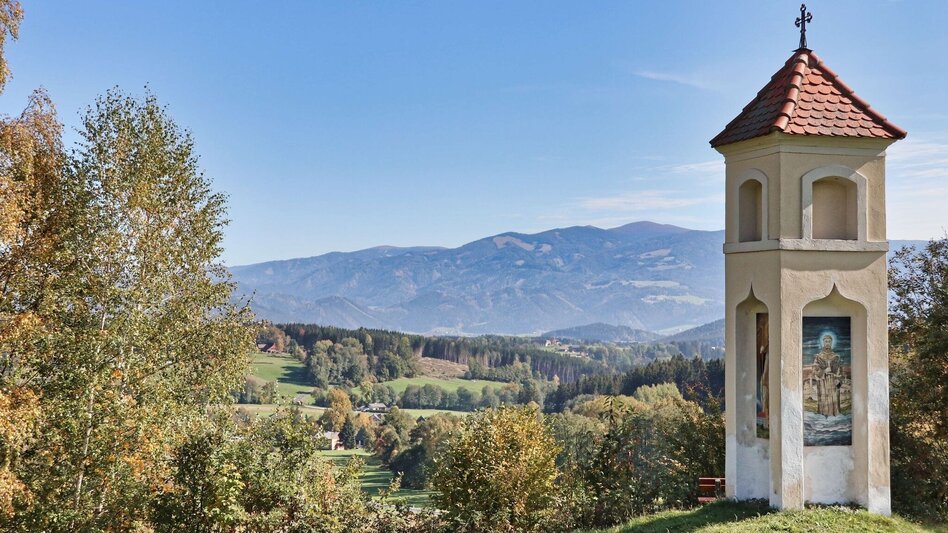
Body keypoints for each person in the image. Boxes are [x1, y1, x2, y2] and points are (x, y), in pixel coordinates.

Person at [813, 334, 842, 417]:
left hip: (833, 381)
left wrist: (838, 379)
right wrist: (823, 371)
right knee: (824, 400)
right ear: (823, 343)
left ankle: (835, 416)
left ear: (831, 343)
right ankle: (823, 416)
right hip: (823, 382)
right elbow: (815, 370)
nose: (827, 343)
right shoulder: (819, 356)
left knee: (834, 400)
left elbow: (840, 370)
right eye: (826, 341)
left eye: (829, 341)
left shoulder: (836, 356)